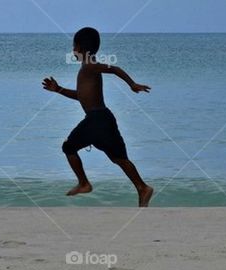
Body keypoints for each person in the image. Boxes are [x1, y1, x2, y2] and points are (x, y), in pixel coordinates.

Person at [42, 28, 154, 207]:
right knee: (119, 159)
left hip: (96, 119)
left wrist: (132, 84)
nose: (72, 50)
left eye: (73, 46)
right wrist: (59, 89)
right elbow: (81, 95)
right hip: (104, 120)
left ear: (79, 47)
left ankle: (84, 183)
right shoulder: (87, 69)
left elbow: (115, 69)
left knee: (68, 147)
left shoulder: (89, 66)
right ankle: (143, 188)